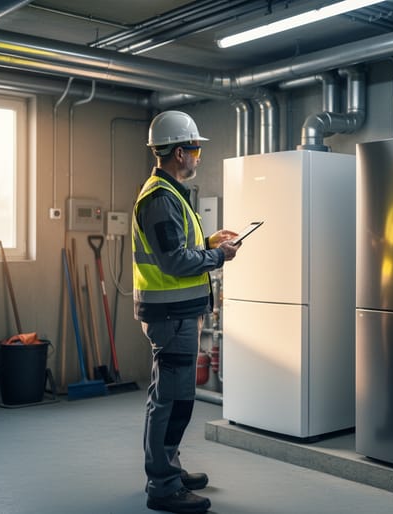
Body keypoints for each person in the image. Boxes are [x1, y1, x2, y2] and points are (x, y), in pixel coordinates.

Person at [133, 110, 239, 514]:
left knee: (173, 397)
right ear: (180, 152)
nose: (198, 157)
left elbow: (177, 246)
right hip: (170, 313)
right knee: (171, 400)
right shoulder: (159, 198)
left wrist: (211, 241)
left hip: (177, 311)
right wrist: (217, 256)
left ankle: (169, 468)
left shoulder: (171, 192)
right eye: (195, 149)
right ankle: (162, 485)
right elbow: (174, 261)